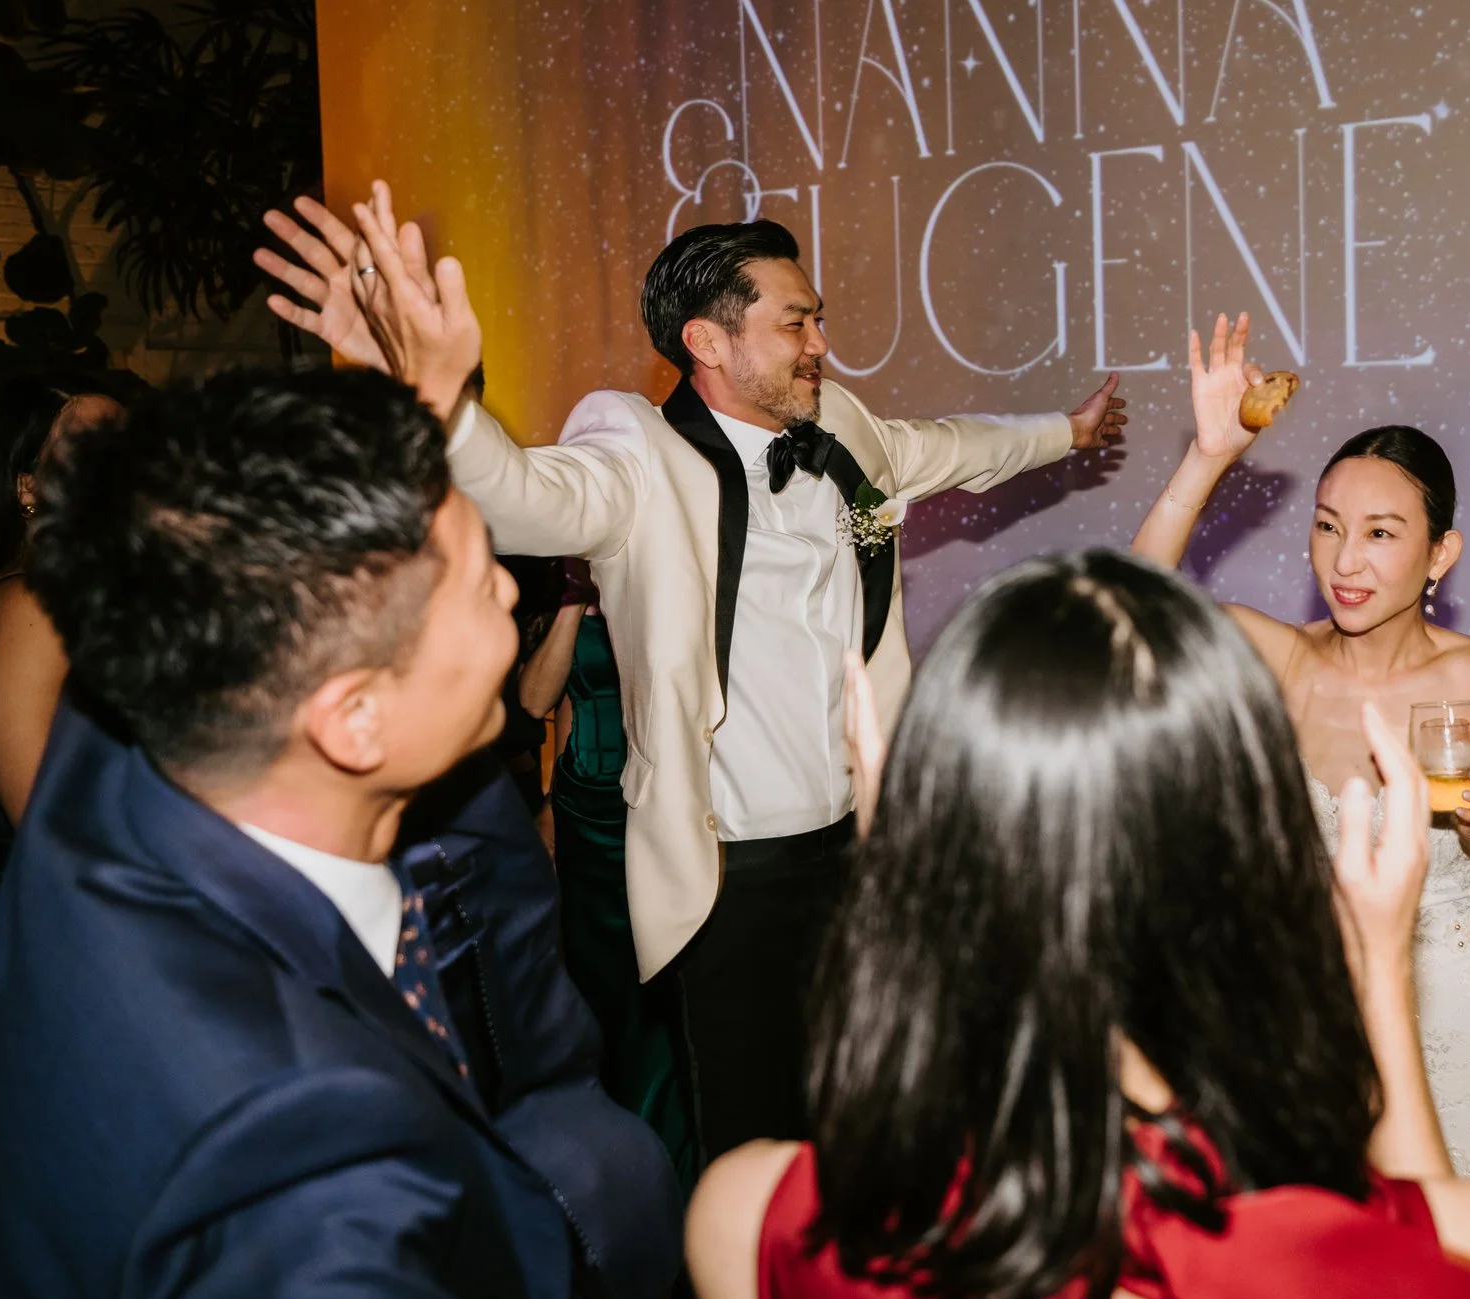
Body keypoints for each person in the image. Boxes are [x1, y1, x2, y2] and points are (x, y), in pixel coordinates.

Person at [254, 185, 1129, 1166]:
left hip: (860, 855)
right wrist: (428, 396)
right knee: (745, 1154)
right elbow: (516, 495)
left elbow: (957, 446)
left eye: (818, 318)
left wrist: (1067, 429)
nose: (818, 340)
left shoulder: (845, 429)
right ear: (710, 341)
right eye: (795, 320)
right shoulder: (633, 450)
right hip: (728, 885)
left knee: (866, 1121)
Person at [0, 367, 681, 1299]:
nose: (511, 589)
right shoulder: (313, 1179)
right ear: (352, 716)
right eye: (480, 585)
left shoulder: (115, 776)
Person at [684, 551, 1470, 1299]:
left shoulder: (745, 1218)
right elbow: (1445, 1259)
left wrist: (892, 889)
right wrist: (1380, 968)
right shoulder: (1453, 1262)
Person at [1129, 314, 1470, 1299]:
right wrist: (1206, 455)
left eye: (1380, 531)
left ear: (1439, 551)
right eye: (1326, 524)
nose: (1345, 558)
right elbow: (1128, 611)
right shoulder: (1276, 658)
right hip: (1301, 1061)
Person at [0, 374, 124, 1299]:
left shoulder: (81, 603)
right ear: (26, 485)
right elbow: (61, 836)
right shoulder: (26, 612)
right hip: (31, 981)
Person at [516, 555, 693, 1173]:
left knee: (648, 979)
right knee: (596, 983)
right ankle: (613, 1130)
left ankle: (661, 1132)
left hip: (646, 811)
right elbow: (542, 701)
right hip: (582, 814)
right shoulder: (566, 608)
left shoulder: (659, 600)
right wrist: (571, 602)